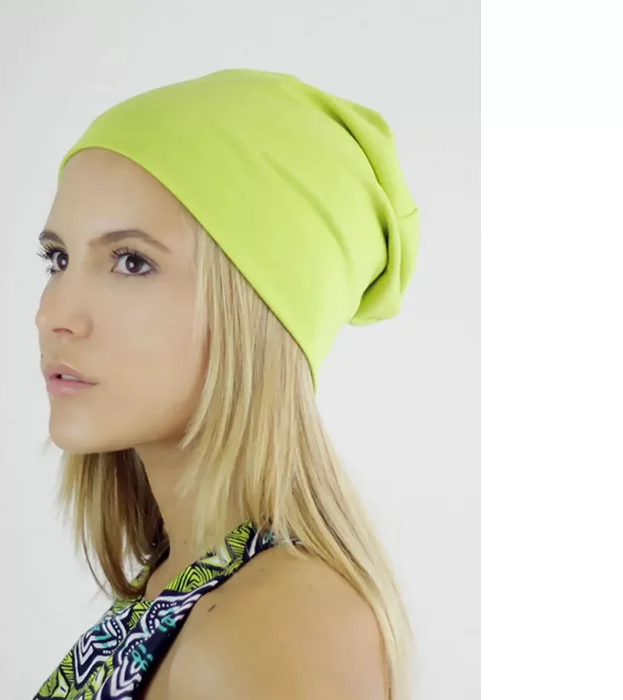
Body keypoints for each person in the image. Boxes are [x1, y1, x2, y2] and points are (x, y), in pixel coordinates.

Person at [32, 68, 420, 700]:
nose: (54, 315)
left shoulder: (278, 630)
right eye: (58, 259)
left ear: (254, 310)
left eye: (131, 261)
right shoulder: (188, 583)